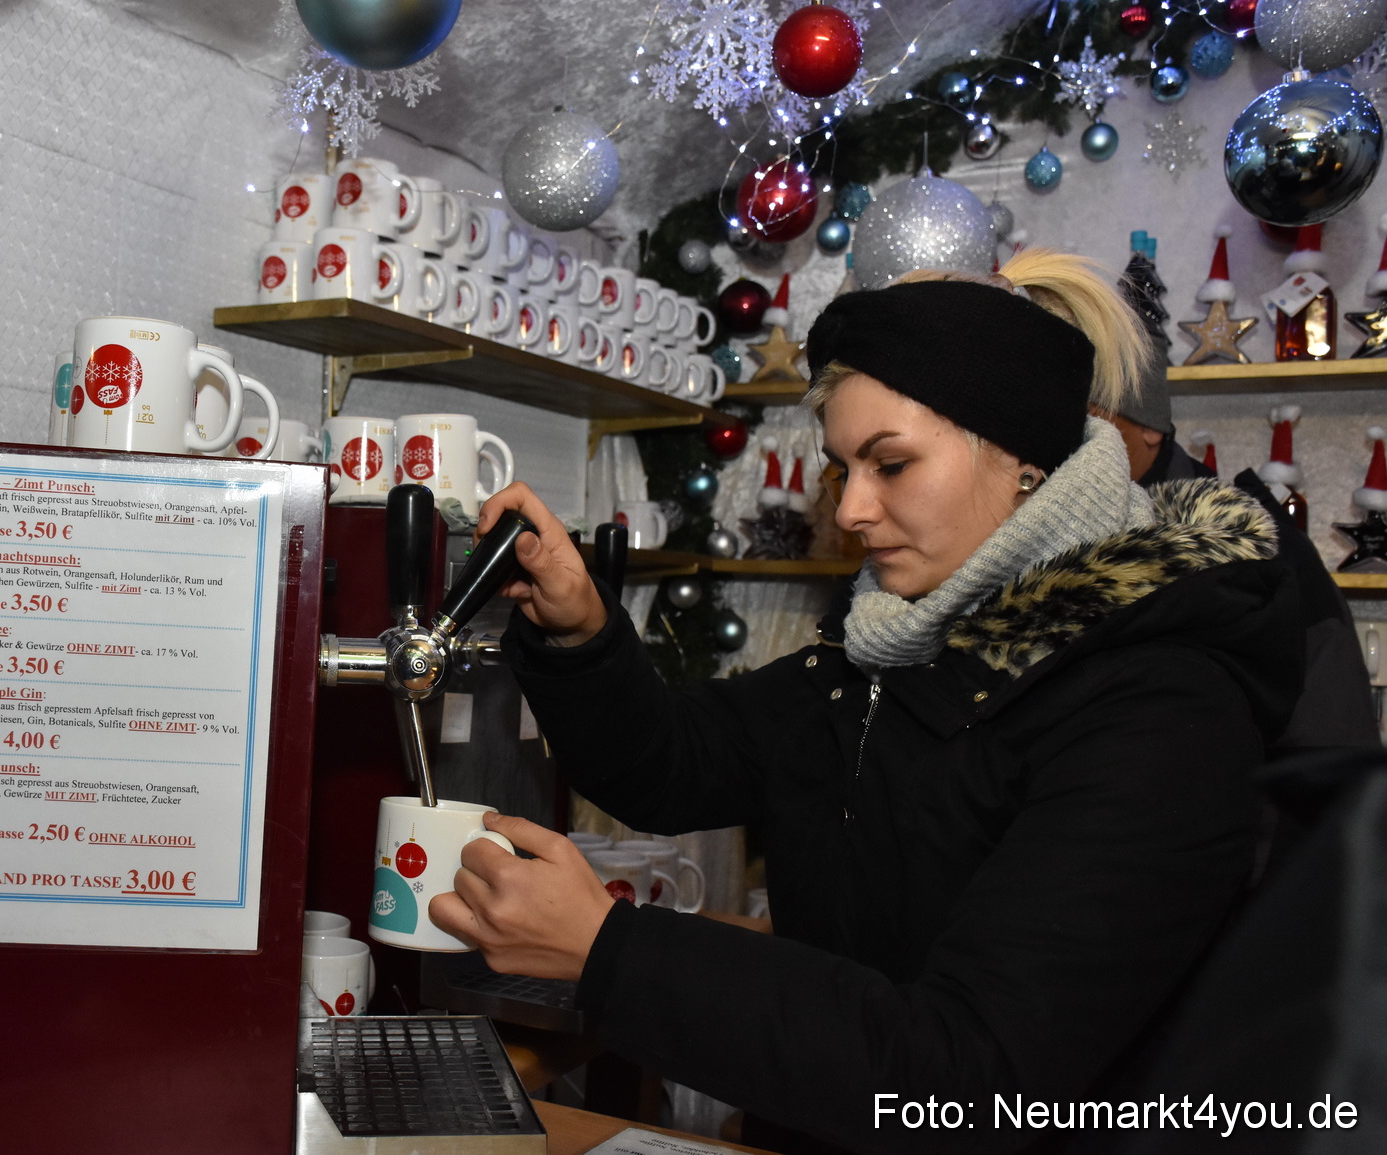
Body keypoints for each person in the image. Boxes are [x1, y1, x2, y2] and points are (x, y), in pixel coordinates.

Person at [427, 250, 1305, 1154]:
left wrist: (612, 951)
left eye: (890, 464)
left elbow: (967, 1078)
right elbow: (672, 764)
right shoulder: (886, 649)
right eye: (843, 469)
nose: (850, 510)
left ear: (1024, 464)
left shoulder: (1161, 709)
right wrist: (581, 631)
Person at [1099, 356, 1376, 752]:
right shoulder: (1066, 528)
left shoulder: (1252, 546)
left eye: (1093, 418)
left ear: (1148, 426)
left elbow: (1331, 729)